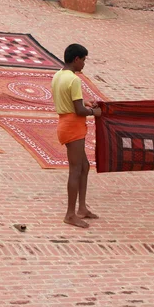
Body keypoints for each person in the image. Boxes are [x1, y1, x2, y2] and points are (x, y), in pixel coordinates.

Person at [51, 43, 102, 228]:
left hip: (66, 123)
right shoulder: (74, 80)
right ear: (76, 59)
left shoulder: (58, 75)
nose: (84, 64)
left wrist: (85, 104)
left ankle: (81, 208)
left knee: (84, 166)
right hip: (73, 126)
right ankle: (70, 214)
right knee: (75, 169)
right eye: (84, 60)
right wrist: (93, 113)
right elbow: (79, 110)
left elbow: (71, 102)